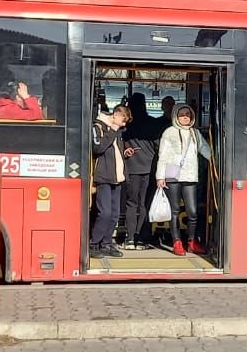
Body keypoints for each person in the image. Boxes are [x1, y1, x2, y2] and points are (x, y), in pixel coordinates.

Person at [156, 104, 211, 256]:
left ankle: (192, 241)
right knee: (174, 210)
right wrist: (160, 176)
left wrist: (218, 163)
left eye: (188, 114)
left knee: (192, 212)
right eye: (182, 114)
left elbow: (205, 149)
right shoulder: (169, 132)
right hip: (172, 173)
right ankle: (177, 242)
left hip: (190, 175)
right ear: (176, 116)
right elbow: (163, 155)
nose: (186, 117)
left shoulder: (195, 133)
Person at [120, 93, 161, 249]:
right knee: (144, 204)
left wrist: (127, 149)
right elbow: (159, 147)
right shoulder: (152, 123)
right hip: (150, 168)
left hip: (132, 167)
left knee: (131, 203)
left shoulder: (127, 124)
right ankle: (142, 238)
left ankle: (129, 239)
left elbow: (119, 140)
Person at [90, 106, 131, 258]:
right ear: (116, 115)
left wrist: (124, 153)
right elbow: (98, 147)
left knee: (114, 214)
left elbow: (114, 151)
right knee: (105, 212)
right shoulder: (98, 126)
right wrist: (113, 130)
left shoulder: (117, 131)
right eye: (123, 120)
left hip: (117, 176)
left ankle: (106, 243)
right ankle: (95, 243)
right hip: (104, 176)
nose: (124, 124)